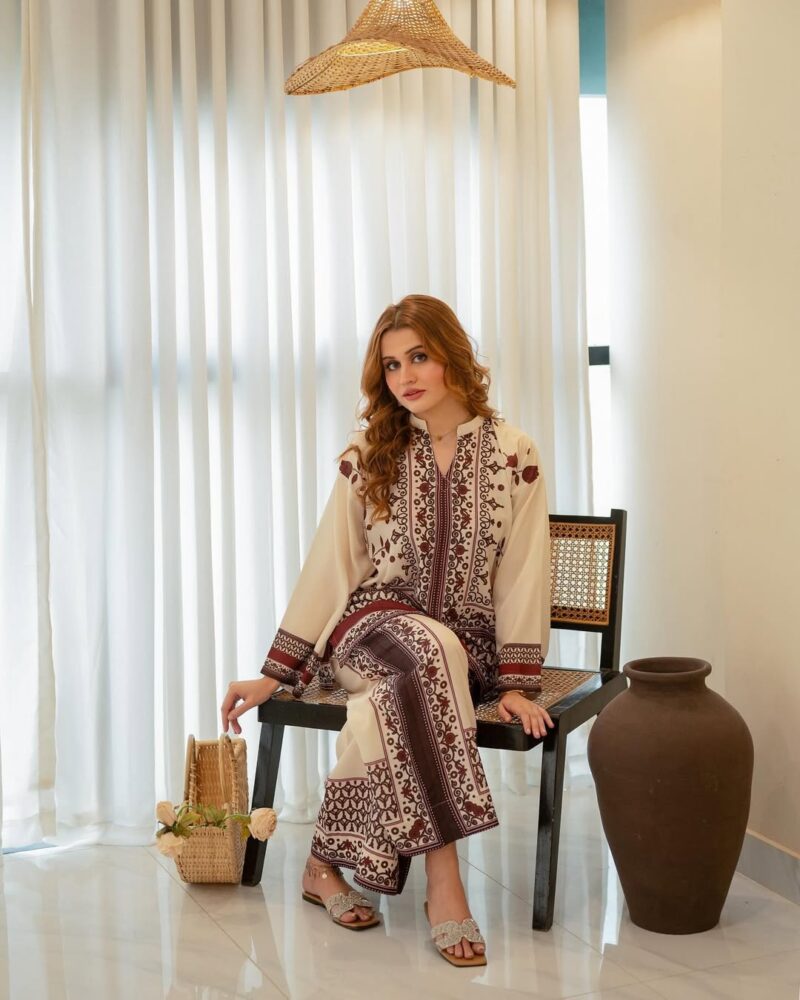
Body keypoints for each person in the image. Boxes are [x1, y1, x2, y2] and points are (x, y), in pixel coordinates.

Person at [220, 294, 553, 968]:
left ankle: (322, 865)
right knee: (428, 651)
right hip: (367, 631)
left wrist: (516, 683)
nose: (405, 375)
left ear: (453, 355)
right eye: (392, 364)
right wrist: (277, 672)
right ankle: (444, 881)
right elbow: (331, 566)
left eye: (419, 356)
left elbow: (524, 572)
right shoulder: (369, 453)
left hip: (464, 653)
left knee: (407, 684)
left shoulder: (513, 453)